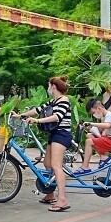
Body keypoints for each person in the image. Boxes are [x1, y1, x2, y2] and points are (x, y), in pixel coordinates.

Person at [12, 75, 72, 212]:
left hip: (62, 134)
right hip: (55, 134)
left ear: (54, 87)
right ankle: (50, 194)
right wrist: (21, 115)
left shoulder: (64, 100)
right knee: (47, 164)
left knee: (56, 166)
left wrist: (37, 121)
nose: (48, 88)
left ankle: (62, 199)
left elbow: (57, 117)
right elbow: (38, 110)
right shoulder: (54, 101)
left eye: (49, 85)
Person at [74, 99, 111, 173]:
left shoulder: (109, 115)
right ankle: (103, 157)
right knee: (89, 135)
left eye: (93, 113)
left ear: (99, 108)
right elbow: (103, 130)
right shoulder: (105, 116)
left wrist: (91, 123)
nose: (94, 115)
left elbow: (107, 125)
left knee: (89, 142)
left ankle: (85, 167)